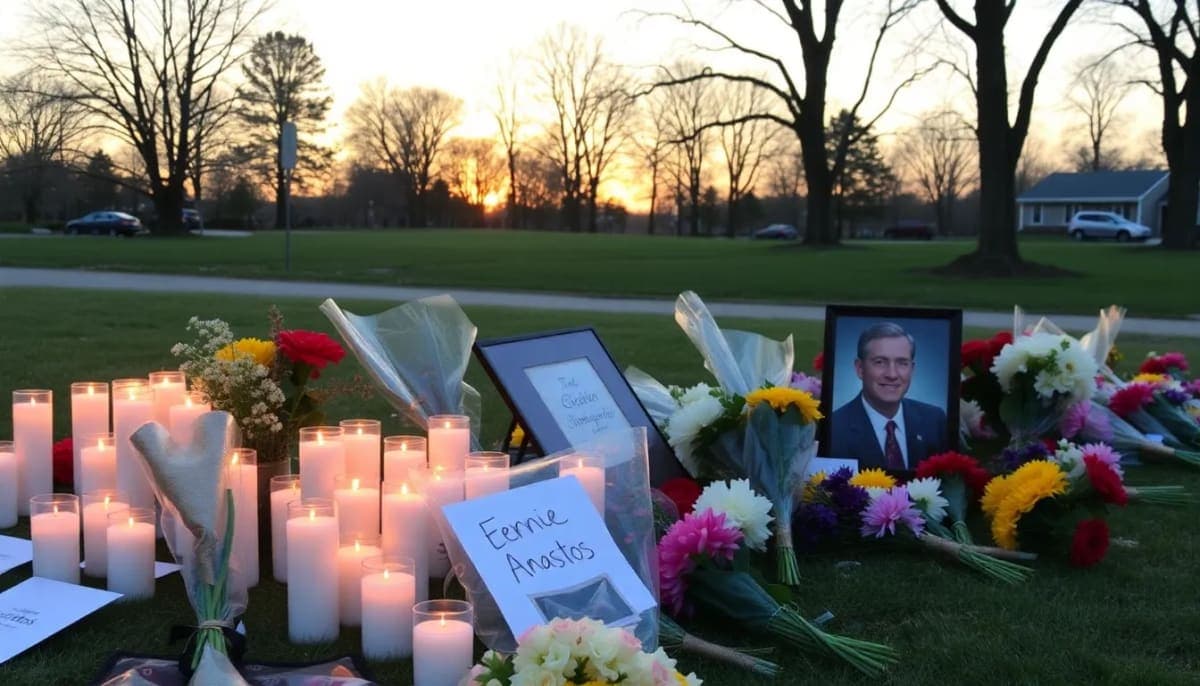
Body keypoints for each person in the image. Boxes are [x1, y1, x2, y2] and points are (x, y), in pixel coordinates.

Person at [828, 322, 947, 471]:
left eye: (902, 363)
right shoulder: (834, 428)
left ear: (912, 369)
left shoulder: (934, 420)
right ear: (860, 369)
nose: (892, 374)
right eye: (880, 362)